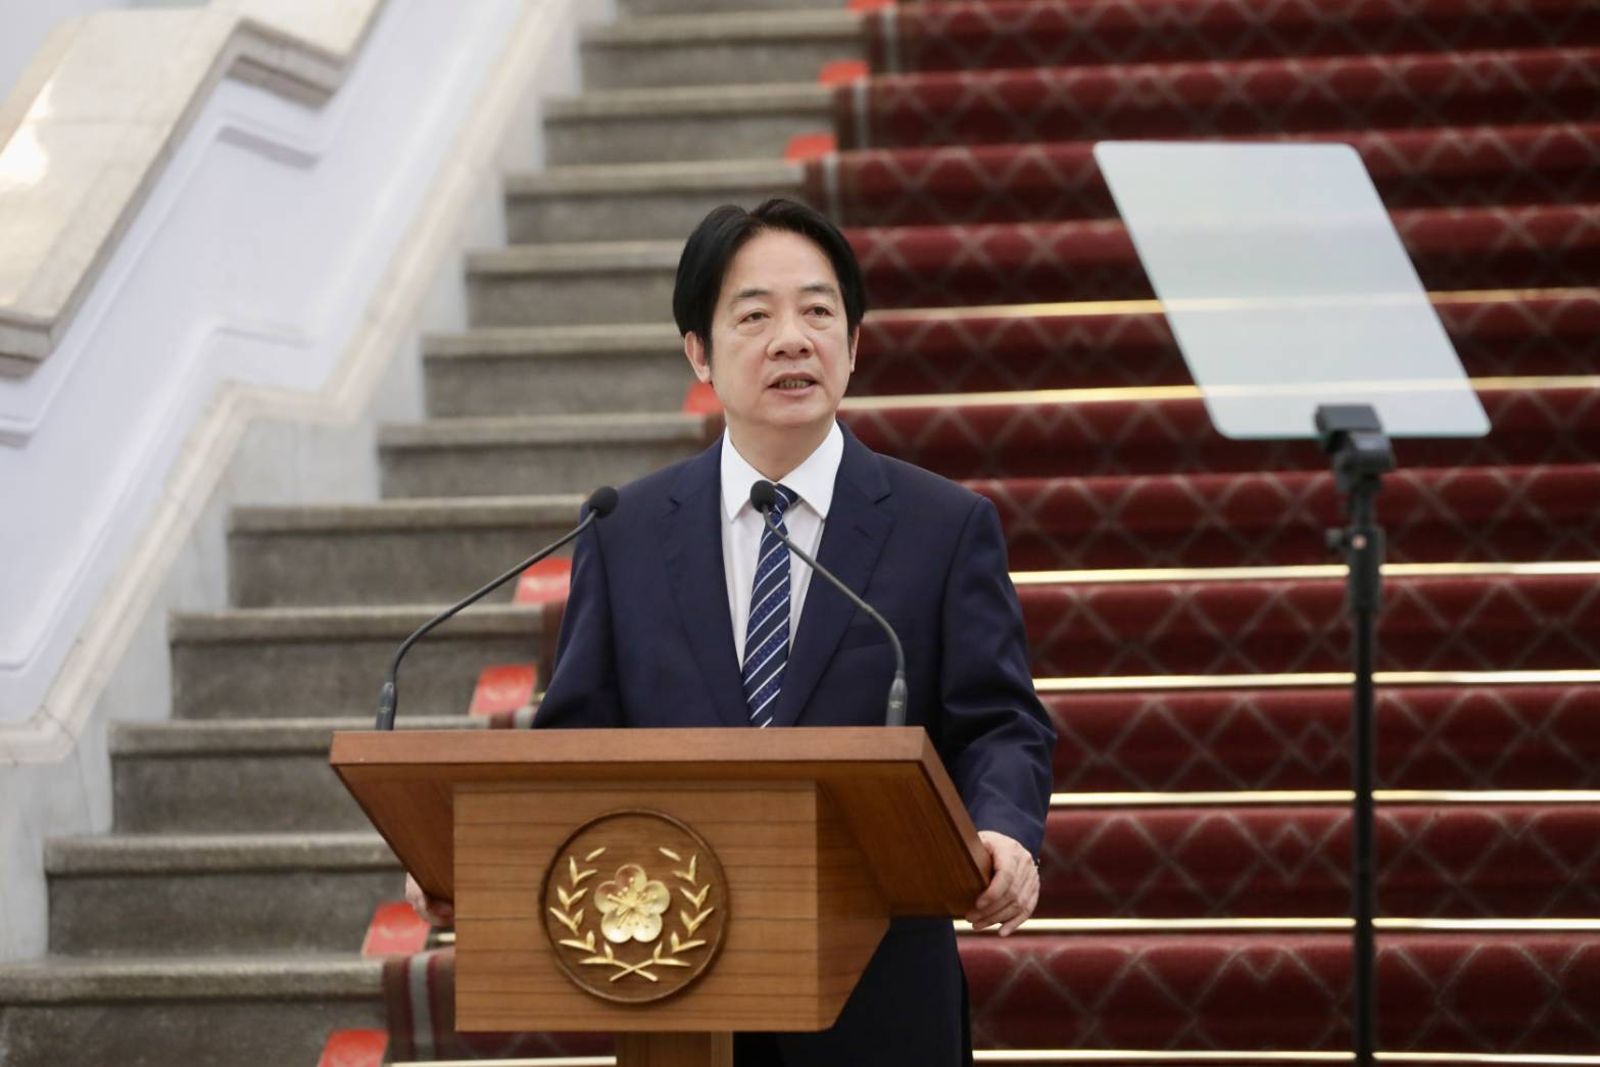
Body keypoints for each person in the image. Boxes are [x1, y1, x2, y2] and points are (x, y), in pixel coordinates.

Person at [409, 198, 1055, 1066]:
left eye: (818, 311)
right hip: (676, 986)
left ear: (854, 345)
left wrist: (1002, 830)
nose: (792, 339)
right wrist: (481, 862)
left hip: (880, 995)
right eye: (754, 316)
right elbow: (577, 746)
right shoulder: (625, 530)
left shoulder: (942, 526)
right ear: (699, 353)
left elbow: (1001, 721)